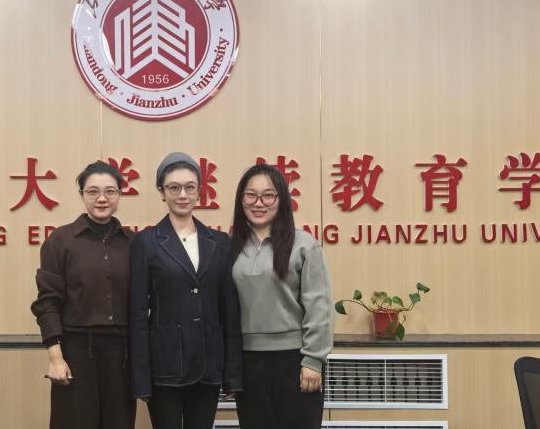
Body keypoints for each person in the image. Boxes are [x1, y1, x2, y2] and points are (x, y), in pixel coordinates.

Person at [128, 152, 243, 429]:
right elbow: (137, 313)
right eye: (174, 188)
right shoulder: (147, 242)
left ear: (199, 191)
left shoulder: (219, 242)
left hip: (208, 361)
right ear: (162, 192)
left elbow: (229, 310)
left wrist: (232, 375)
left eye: (190, 187)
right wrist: (141, 378)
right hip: (164, 363)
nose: (182, 195)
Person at [31, 161, 136, 429]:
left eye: (110, 191)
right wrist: (56, 358)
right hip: (76, 352)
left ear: (119, 195)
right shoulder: (61, 240)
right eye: (93, 191)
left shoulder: (133, 243)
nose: (102, 198)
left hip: (121, 357)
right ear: (81, 195)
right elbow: (47, 302)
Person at [229, 164, 332, 429]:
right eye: (251, 195)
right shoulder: (230, 246)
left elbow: (319, 306)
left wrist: (313, 360)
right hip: (248, 362)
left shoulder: (304, 244)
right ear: (241, 199)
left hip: (295, 360)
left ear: (281, 199)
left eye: (268, 195)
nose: (258, 203)